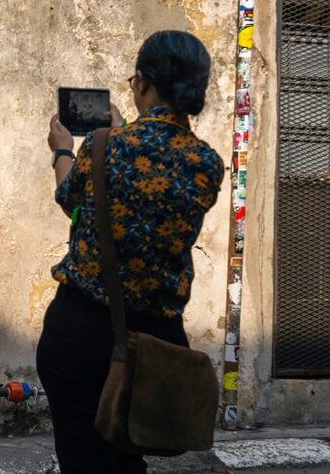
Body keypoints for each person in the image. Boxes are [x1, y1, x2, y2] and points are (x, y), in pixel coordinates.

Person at [39, 30, 223, 473]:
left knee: (83, 459)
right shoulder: (207, 163)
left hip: (83, 333)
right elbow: (147, 202)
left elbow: (73, 199)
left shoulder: (105, 147)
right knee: (128, 457)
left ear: (141, 82)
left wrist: (64, 149)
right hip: (157, 343)